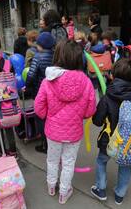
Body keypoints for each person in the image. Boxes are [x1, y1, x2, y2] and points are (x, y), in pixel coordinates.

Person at [34, 40, 96, 204]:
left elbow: (38, 108)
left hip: (53, 131)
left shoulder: (48, 80)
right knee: (68, 163)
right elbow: (90, 110)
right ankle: (64, 192)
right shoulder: (87, 82)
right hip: (74, 132)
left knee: (52, 160)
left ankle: (51, 186)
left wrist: (50, 116)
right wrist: (78, 116)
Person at [91, 58, 131, 205]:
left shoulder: (107, 97)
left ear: (113, 74)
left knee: (101, 161)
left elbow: (97, 121)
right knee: (125, 165)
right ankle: (119, 194)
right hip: (129, 141)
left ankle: (101, 189)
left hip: (109, 139)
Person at [26, 32, 55, 153]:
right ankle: (53, 141)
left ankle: (45, 145)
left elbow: (31, 75)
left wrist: (27, 87)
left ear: (40, 45)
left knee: (41, 118)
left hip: (40, 93)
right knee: (51, 117)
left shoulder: (37, 57)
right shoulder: (56, 56)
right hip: (54, 93)